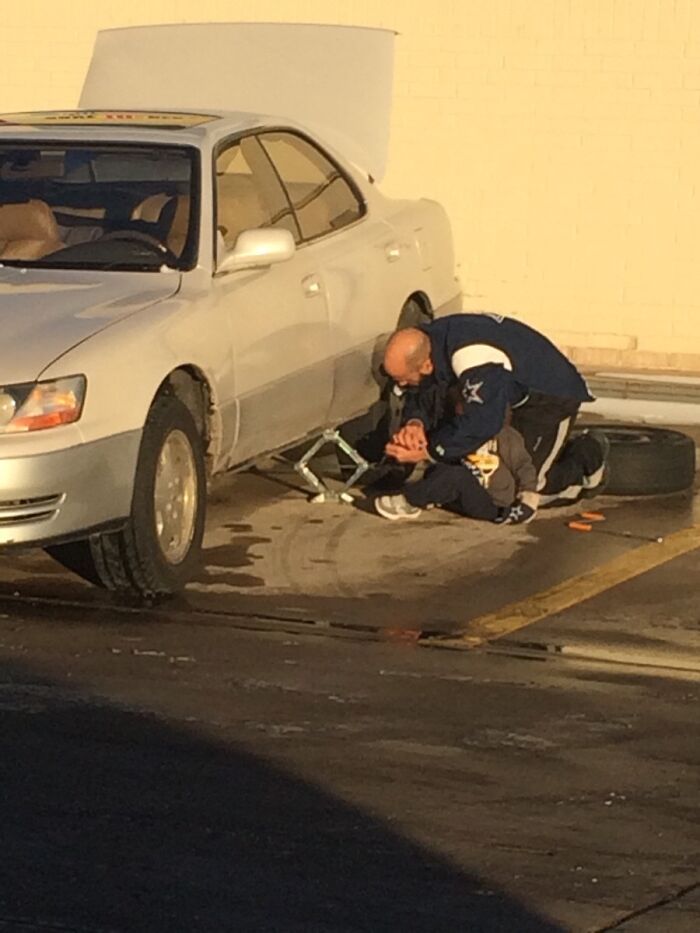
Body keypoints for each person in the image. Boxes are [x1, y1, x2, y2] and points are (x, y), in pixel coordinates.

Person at [373, 312, 608, 521]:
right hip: (501, 394)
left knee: (525, 490)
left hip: (549, 398)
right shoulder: (427, 340)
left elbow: (483, 422)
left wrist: (430, 452)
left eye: (402, 378)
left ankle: (589, 455)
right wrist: (416, 423)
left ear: (425, 365)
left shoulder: (472, 359)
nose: (400, 385)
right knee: (486, 471)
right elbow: (426, 388)